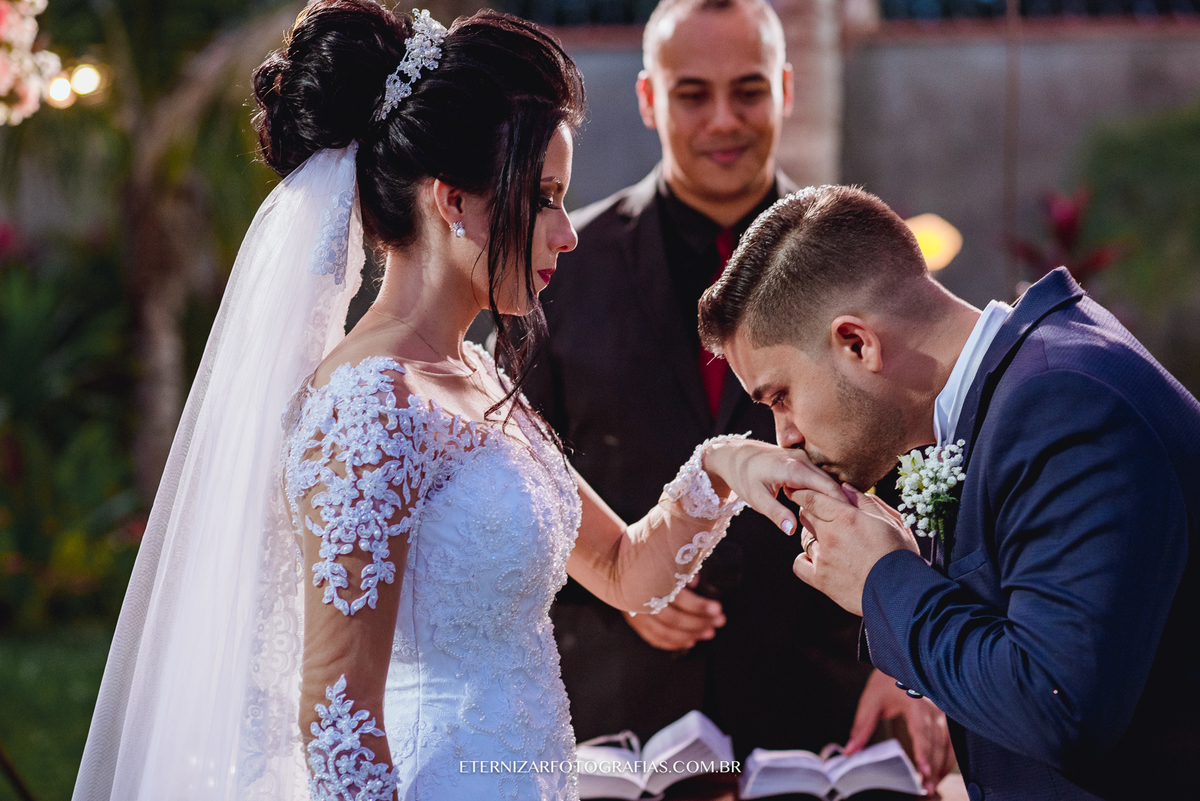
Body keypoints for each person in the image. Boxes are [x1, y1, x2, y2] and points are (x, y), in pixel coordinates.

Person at [71, 4, 825, 800]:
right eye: (542, 198)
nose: (565, 232)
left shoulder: (482, 376)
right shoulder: (370, 406)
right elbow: (336, 715)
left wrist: (721, 469)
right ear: (452, 201)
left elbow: (624, 570)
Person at [525, 0, 952, 792]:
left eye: (749, 90)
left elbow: (933, 468)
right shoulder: (560, 271)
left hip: (823, 717)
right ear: (650, 99)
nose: (724, 119)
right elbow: (508, 482)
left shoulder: (868, 261)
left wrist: (912, 664)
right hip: (623, 725)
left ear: (786, 90)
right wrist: (618, 583)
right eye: (693, 93)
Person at [697, 184, 1200, 800]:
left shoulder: (1063, 404)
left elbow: (1058, 705)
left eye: (780, 398)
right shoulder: (1017, 393)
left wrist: (885, 578)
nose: (787, 436)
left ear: (858, 343)